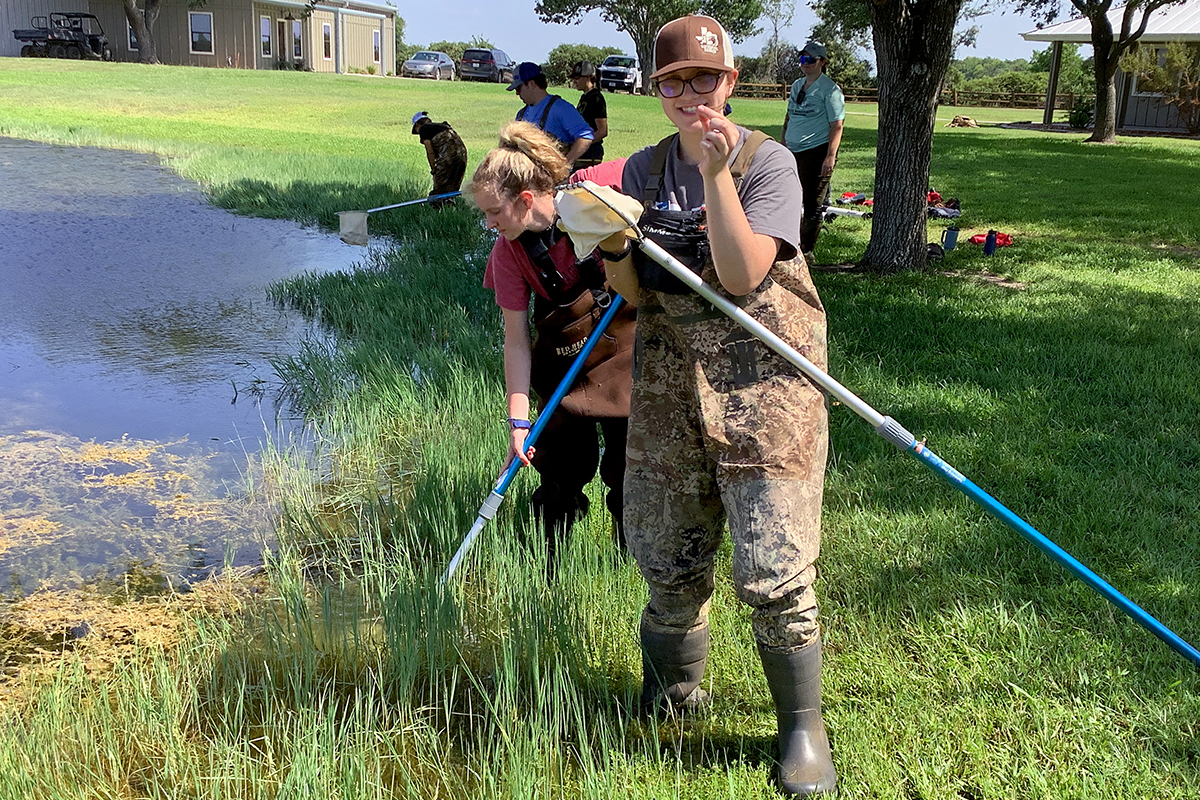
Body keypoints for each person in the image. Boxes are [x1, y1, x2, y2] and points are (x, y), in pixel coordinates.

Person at [598, 14, 836, 797]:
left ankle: (802, 730)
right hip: (670, 389)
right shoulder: (638, 169)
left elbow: (739, 274)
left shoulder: (769, 164)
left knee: (774, 569)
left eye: (707, 78)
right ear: (657, 88)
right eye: (675, 81)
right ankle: (674, 694)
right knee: (666, 556)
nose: (691, 93)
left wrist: (716, 174)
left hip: (768, 387)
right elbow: (632, 293)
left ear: (730, 82)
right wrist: (605, 244)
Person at [473, 121, 637, 573]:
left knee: (630, 474)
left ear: (525, 199)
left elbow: (664, 163)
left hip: (628, 360)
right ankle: (550, 568)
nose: (488, 224)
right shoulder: (507, 254)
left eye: (494, 212)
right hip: (564, 368)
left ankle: (632, 571)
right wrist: (519, 422)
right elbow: (516, 341)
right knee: (560, 472)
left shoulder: (596, 189)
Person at [782, 41, 845, 262]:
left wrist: (830, 156)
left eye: (810, 59)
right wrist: (783, 143)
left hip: (816, 151)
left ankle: (807, 251)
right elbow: (789, 116)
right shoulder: (797, 85)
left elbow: (837, 124)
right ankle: (790, 244)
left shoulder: (830, 90)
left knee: (812, 203)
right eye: (802, 59)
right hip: (792, 150)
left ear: (822, 62)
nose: (805, 64)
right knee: (789, 198)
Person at [507, 62, 595, 168]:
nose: (517, 93)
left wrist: (564, 165)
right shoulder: (521, 114)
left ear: (530, 84)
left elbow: (585, 136)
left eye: (518, 88)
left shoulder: (561, 108)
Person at [411, 111, 468, 208]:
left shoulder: (424, 129)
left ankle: (440, 212)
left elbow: (430, 152)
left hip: (447, 156)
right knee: (452, 188)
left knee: (439, 190)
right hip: (462, 155)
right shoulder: (443, 126)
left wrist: (434, 170)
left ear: (417, 125)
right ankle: (450, 209)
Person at [570, 60, 608, 170]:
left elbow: (602, 131)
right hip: (582, 153)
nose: (574, 82)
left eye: (577, 78)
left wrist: (583, 144)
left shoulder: (596, 99)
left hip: (590, 154)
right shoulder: (585, 97)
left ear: (587, 77)